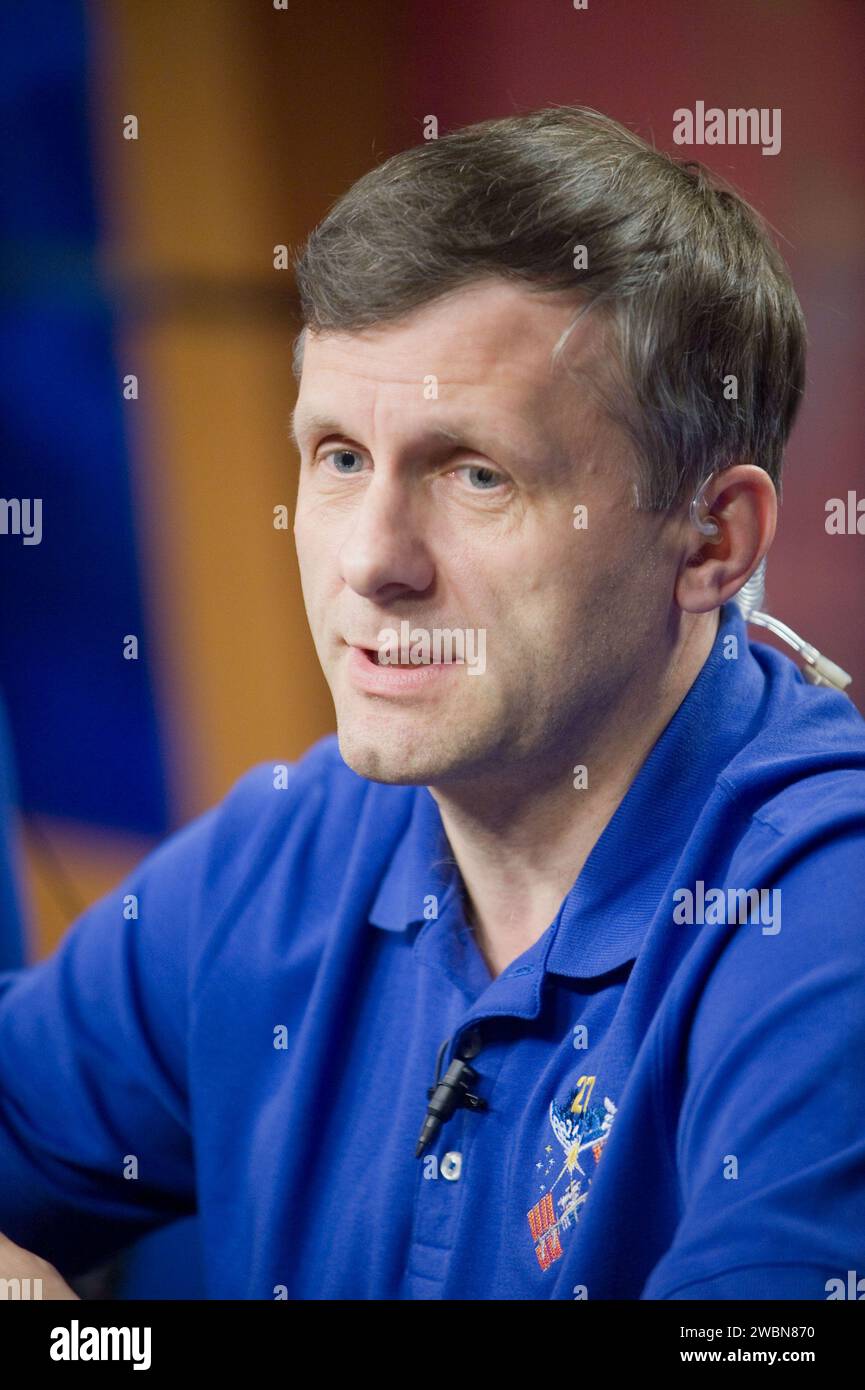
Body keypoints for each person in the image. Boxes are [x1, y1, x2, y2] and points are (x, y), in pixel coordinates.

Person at [2, 106, 864, 1301]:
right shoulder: (293, 847)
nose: (371, 560)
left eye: (474, 473)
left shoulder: (821, 922)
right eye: (341, 456)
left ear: (712, 541)